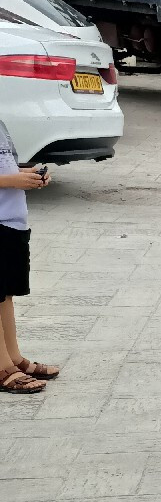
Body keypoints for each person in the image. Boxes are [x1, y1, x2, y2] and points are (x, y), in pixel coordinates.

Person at [0, 117, 58, 394]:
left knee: (6, 294)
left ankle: (13, 358)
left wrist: (29, 174)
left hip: (12, 220)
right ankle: (1, 368)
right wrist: (13, 180)